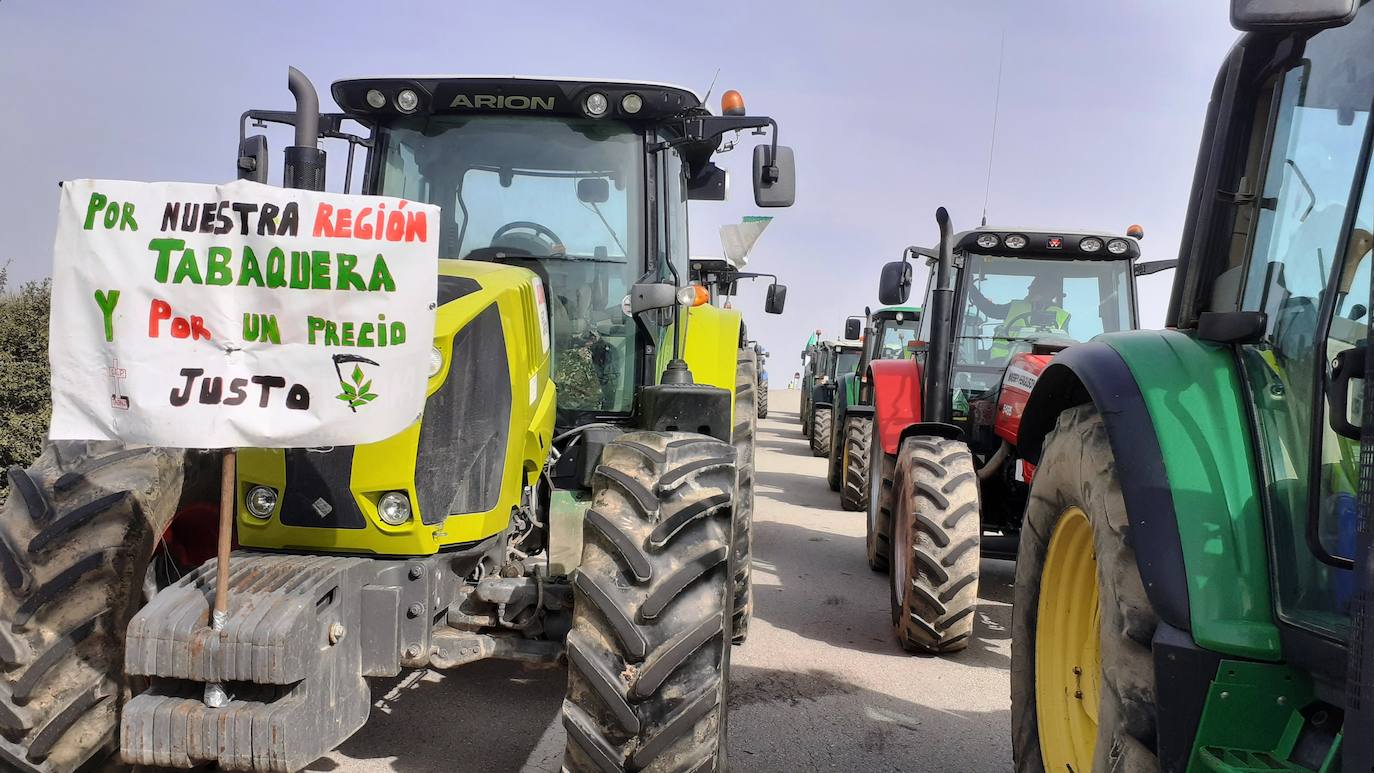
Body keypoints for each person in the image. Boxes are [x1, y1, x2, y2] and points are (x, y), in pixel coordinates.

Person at [968, 274, 1071, 360]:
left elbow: (1064, 343)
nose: (1029, 289)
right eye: (1032, 287)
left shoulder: (1063, 316)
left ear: (1046, 292)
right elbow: (991, 310)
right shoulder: (1015, 306)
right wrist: (971, 288)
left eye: (1034, 287)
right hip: (1003, 361)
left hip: (1040, 364)